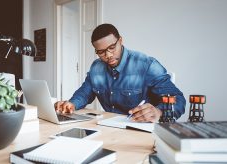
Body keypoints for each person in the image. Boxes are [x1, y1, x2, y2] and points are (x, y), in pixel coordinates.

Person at [54, 23, 186, 122]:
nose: (108, 55)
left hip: (140, 129)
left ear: (120, 41)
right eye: (101, 52)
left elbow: (179, 100)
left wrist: (158, 112)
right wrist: (72, 104)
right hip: (109, 127)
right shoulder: (96, 67)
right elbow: (84, 93)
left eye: (112, 47)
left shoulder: (147, 65)